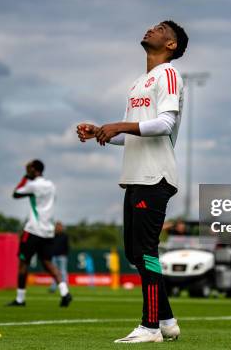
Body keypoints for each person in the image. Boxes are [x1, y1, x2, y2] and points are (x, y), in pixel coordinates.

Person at [77, 20, 188, 343]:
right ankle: (166, 322)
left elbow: (165, 124)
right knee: (136, 253)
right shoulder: (139, 82)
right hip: (136, 176)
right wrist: (102, 131)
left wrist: (119, 125)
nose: (151, 29)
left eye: (160, 28)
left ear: (171, 45)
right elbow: (133, 135)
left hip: (156, 175)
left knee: (147, 250)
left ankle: (149, 327)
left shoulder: (168, 73)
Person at [7, 159, 72, 307]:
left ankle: (20, 299)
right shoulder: (51, 185)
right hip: (48, 231)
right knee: (48, 263)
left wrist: (25, 178)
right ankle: (65, 292)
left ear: (35, 170)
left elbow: (16, 194)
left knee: (23, 263)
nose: (26, 171)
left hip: (32, 230)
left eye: (28, 169)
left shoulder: (32, 185)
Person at [49, 222, 69, 293]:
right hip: (54, 256)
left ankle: (65, 287)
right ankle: (53, 288)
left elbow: (67, 246)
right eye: (57, 226)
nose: (58, 228)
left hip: (62, 256)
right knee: (54, 272)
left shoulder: (65, 236)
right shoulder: (53, 235)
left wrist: (65, 254)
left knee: (63, 272)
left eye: (59, 226)